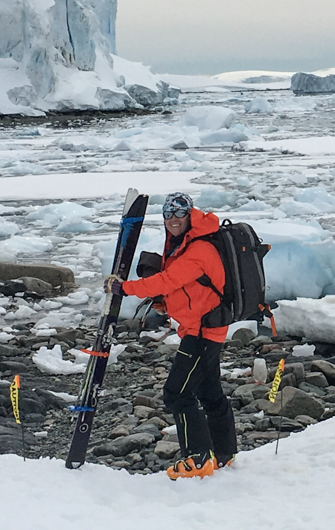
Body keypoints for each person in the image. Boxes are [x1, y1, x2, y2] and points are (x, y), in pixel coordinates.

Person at [105, 192, 238, 480]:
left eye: (179, 214)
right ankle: (224, 454)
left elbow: (169, 280)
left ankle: (198, 458)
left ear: (190, 215)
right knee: (208, 391)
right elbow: (183, 285)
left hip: (202, 331)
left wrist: (124, 289)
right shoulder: (185, 243)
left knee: (177, 393)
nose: (173, 220)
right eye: (168, 215)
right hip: (204, 327)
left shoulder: (198, 248)